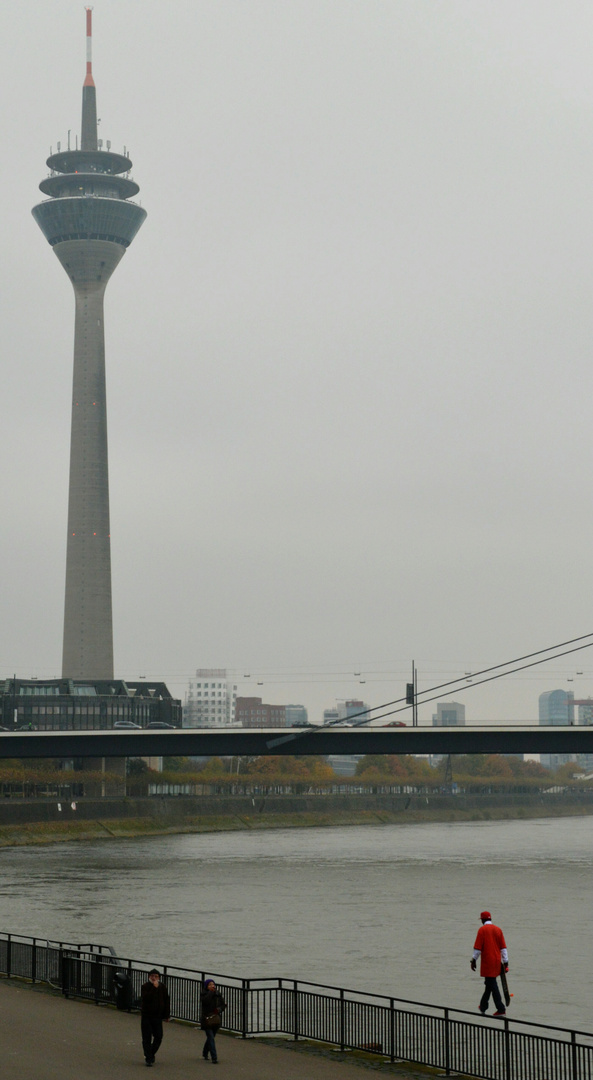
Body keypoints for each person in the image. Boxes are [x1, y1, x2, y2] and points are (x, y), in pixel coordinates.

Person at [471, 910, 509, 1017]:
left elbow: (477, 949)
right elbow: (503, 948)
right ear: (490, 919)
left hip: (487, 963)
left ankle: (501, 1009)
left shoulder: (482, 930)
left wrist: (473, 961)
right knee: (489, 984)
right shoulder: (498, 930)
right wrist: (506, 963)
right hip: (497, 962)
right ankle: (483, 1006)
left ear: (482, 920)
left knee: (492, 985)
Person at [140, 968, 170, 1066]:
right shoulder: (145, 986)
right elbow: (146, 998)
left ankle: (150, 1053)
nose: (154, 978)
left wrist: (166, 1015)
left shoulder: (162, 987)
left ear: (159, 977)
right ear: (149, 977)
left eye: (156, 976)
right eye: (152, 976)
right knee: (146, 1037)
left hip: (157, 1016)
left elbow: (166, 1001)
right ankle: (148, 1059)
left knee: (159, 1037)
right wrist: (154, 988)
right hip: (147, 1016)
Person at [200, 978, 226, 1064]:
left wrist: (219, 1009)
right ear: (207, 986)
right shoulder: (203, 994)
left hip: (215, 1019)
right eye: (210, 985)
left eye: (213, 984)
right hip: (206, 1019)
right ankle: (214, 1057)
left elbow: (223, 1005)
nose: (212, 986)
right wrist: (211, 993)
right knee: (210, 1037)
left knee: (211, 1037)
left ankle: (205, 1052)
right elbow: (205, 1002)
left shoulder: (218, 994)